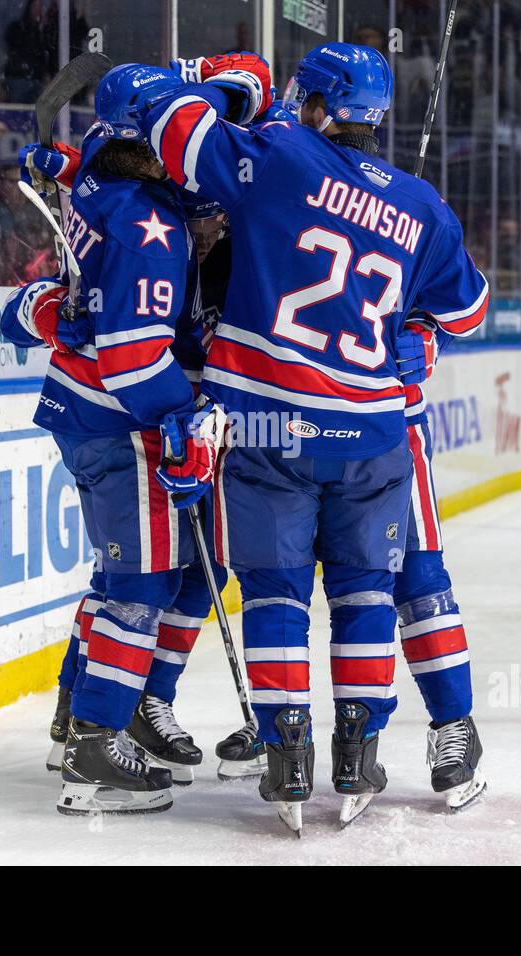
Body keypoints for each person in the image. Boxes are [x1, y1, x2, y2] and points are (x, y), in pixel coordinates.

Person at [134, 44, 489, 829]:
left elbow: (171, 127)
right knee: (373, 591)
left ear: (319, 103)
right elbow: (469, 309)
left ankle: (300, 748)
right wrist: (420, 335)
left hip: (270, 424)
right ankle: (356, 753)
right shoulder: (421, 203)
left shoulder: (278, 156)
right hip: (372, 430)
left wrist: (188, 77)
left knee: (283, 592)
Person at [0, 63, 221, 815]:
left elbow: (91, 158)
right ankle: (95, 750)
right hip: (121, 418)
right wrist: (178, 420)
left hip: (81, 409)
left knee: (121, 574)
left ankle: (74, 719)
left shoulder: (100, 173)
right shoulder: (146, 228)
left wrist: (61, 163)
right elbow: (131, 354)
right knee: (142, 584)